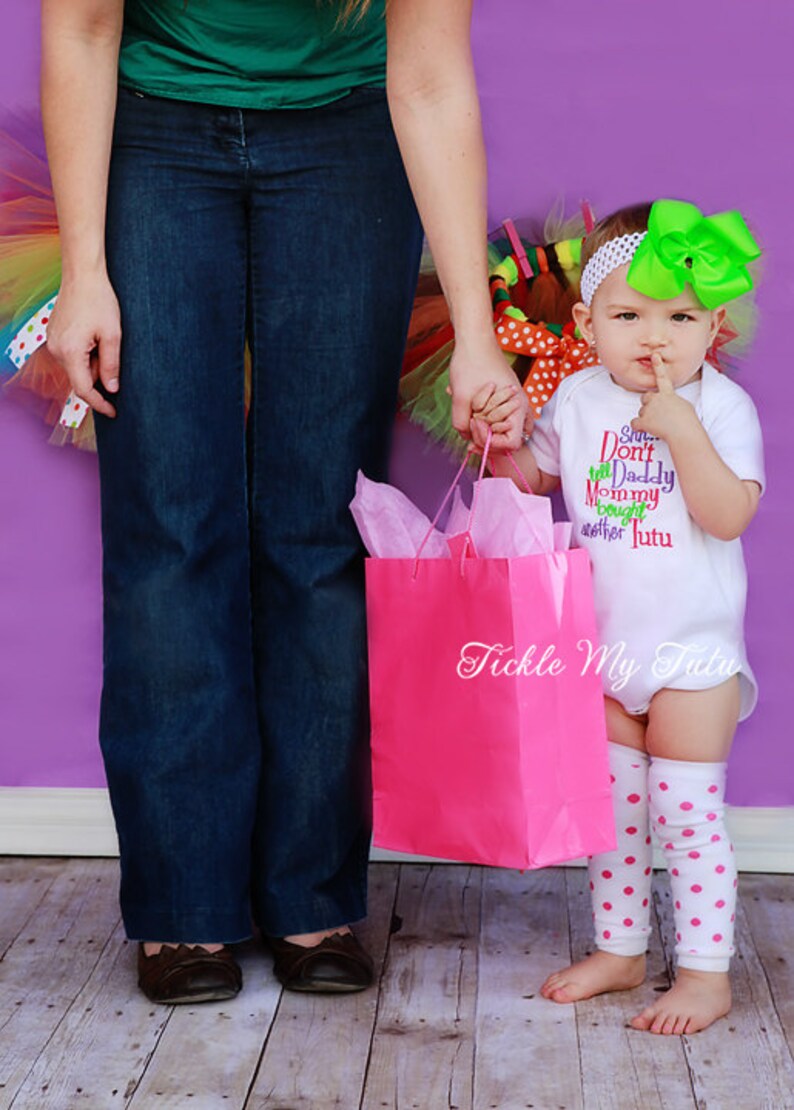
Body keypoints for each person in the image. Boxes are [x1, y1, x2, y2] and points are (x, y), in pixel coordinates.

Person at [39, 0, 525, 1003]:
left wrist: (476, 338)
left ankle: (312, 895)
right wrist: (84, 274)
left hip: (346, 142)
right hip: (155, 139)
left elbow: (430, 78)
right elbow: (81, 31)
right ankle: (183, 907)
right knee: (169, 529)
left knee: (323, 528)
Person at [475, 199, 763, 1035]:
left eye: (680, 318)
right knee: (616, 817)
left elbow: (728, 516)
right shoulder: (577, 398)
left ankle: (704, 973)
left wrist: (682, 432)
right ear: (586, 324)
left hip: (692, 656)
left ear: (713, 327)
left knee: (687, 817)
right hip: (602, 650)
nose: (654, 338)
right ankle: (622, 948)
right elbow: (535, 481)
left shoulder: (720, 408)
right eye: (629, 316)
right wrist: (501, 444)